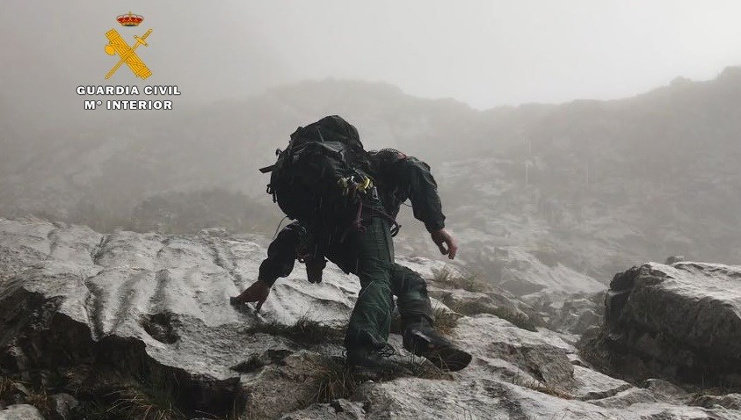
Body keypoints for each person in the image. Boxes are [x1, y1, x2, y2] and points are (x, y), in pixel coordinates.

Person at [231, 117, 472, 371]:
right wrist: (437, 227)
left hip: (327, 234)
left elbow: (292, 233)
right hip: (362, 219)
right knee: (380, 276)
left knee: (407, 280)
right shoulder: (374, 164)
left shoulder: (321, 192)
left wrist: (265, 280)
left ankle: (418, 331)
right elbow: (415, 168)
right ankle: (364, 351)